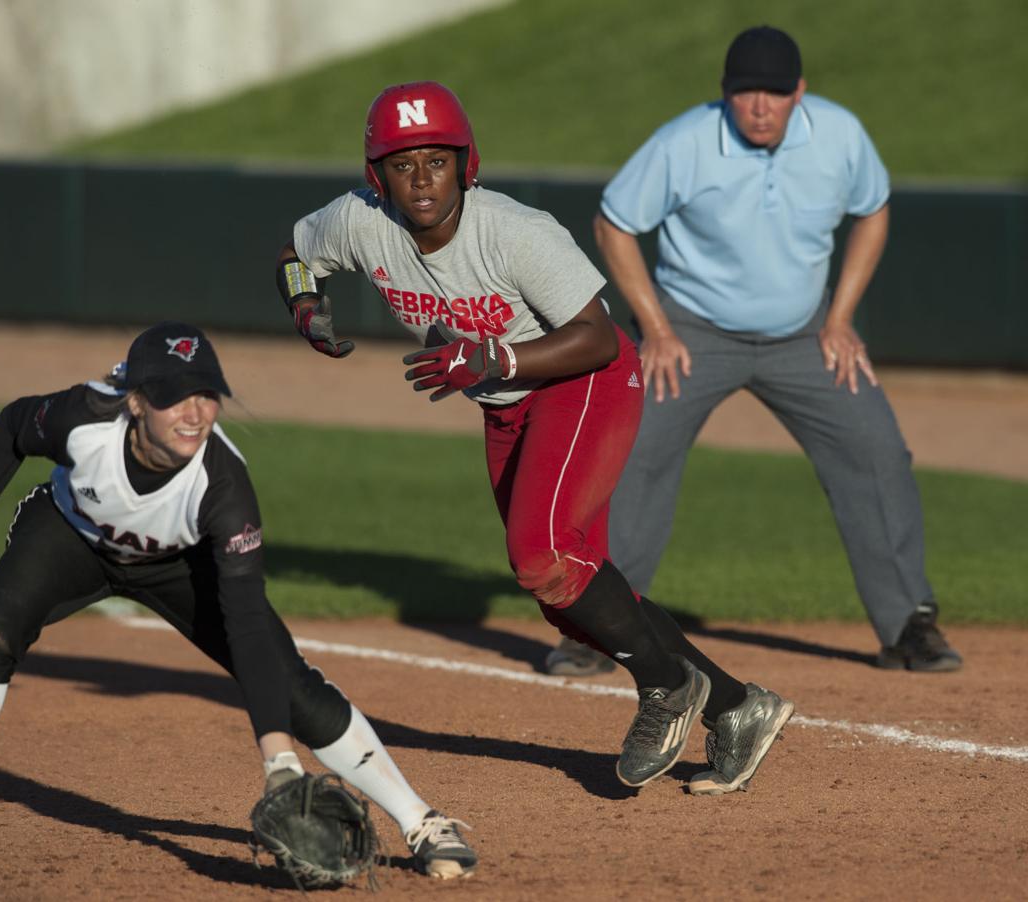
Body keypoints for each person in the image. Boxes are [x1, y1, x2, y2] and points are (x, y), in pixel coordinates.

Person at [275, 80, 793, 799]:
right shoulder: (360, 223)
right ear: (377, 176)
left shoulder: (515, 231)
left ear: (466, 163)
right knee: (564, 592)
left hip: (585, 381)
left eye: (437, 161)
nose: (421, 179)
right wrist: (305, 303)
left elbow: (595, 336)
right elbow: (296, 252)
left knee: (540, 555)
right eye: (403, 164)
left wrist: (496, 358)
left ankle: (668, 685)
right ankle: (737, 707)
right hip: (508, 406)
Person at [0, 321, 477, 887]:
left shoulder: (224, 488)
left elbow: (247, 625)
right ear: (136, 401)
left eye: (207, 395)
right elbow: (14, 426)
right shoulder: (84, 418)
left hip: (178, 562)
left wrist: (280, 763)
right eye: (174, 398)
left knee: (291, 683)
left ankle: (421, 821)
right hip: (72, 536)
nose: (195, 413)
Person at [545, 25, 962, 679]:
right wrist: (656, 328)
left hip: (805, 332)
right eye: (746, 92)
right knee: (634, 454)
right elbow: (614, 222)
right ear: (725, 93)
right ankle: (597, 628)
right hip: (691, 330)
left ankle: (909, 625)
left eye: (775, 92)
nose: (761, 106)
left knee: (875, 448)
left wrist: (841, 318)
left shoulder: (840, 135)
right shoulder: (685, 141)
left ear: (800, 91)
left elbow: (873, 211)